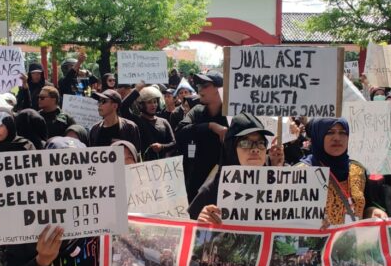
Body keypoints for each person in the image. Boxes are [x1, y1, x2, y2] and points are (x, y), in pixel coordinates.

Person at [7, 136, 100, 266]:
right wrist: (41, 261)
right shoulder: (25, 218)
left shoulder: (103, 212)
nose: (69, 176)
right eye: (60, 169)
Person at [190, 113, 285, 221]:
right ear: (232, 149)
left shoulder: (278, 178)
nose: (255, 149)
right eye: (245, 143)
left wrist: (278, 176)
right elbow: (185, 230)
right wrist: (199, 221)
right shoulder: (211, 190)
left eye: (261, 142)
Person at [299, 118, 388, 225]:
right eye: (330, 132)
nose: (337, 138)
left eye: (342, 132)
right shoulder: (301, 172)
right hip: (316, 240)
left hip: (354, 239)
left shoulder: (358, 170)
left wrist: (372, 212)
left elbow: (367, 205)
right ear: (318, 136)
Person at [175, 71, 228, 203]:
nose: (199, 89)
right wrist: (210, 126)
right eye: (198, 86)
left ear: (219, 89)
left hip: (223, 182)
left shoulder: (232, 116)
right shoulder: (197, 111)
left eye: (205, 85)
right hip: (195, 182)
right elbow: (180, 132)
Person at [120, 84, 175, 161]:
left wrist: (162, 147)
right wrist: (137, 89)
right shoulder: (136, 121)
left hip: (163, 165)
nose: (153, 105)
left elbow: (173, 143)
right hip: (143, 165)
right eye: (149, 102)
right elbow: (123, 107)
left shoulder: (164, 122)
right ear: (141, 105)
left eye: (155, 102)